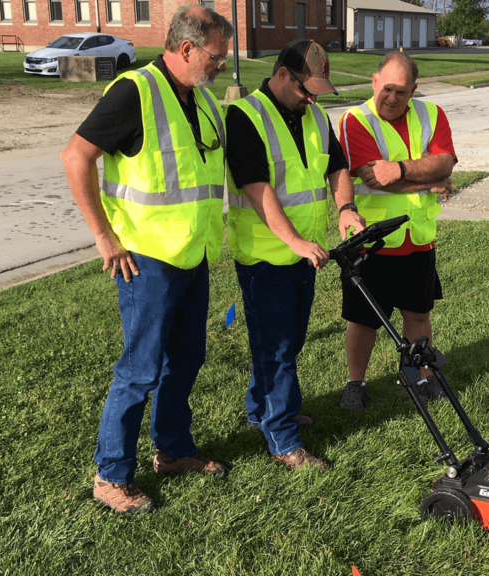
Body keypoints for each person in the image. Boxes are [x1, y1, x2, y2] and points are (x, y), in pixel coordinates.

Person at [59, 4, 234, 515]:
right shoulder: (135, 91)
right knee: (140, 369)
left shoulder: (199, 100)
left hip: (193, 254)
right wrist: (103, 236)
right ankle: (111, 475)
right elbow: (76, 156)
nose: (221, 64)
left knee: (187, 358)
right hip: (146, 260)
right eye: (217, 56)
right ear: (186, 49)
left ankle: (173, 449)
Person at [224, 39, 365, 470]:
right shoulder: (244, 116)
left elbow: (336, 167)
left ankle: (259, 409)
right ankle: (284, 438)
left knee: (286, 342)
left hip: (305, 254)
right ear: (282, 74)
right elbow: (256, 187)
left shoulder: (317, 115)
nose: (311, 99)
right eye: (306, 89)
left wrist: (346, 209)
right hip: (266, 255)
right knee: (279, 349)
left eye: (318, 92)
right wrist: (293, 242)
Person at [335, 52, 457, 411]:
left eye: (401, 92)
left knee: (418, 314)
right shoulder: (355, 120)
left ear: (413, 90)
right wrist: (429, 181)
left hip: (418, 237)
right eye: (386, 88)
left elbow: (446, 162)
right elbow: (374, 177)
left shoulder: (431, 114)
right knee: (364, 320)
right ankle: (355, 383)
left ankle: (420, 376)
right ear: (374, 81)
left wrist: (401, 168)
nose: (392, 98)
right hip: (371, 241)